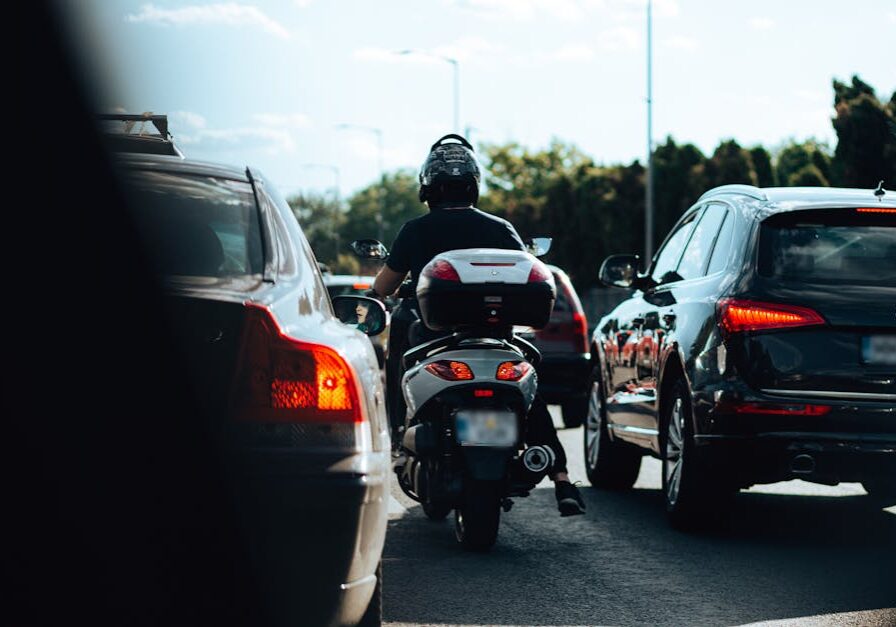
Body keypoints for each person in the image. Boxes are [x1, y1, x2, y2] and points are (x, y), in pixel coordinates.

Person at [372, 134, 586, 517]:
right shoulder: (500, 227)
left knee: (399, 345)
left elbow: (383, 289)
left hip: (433, 338)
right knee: (529, 391)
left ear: (428, 187)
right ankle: (563, 479)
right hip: (495, 337)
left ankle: (399, 432)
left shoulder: (415, 230)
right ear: (474, 185)